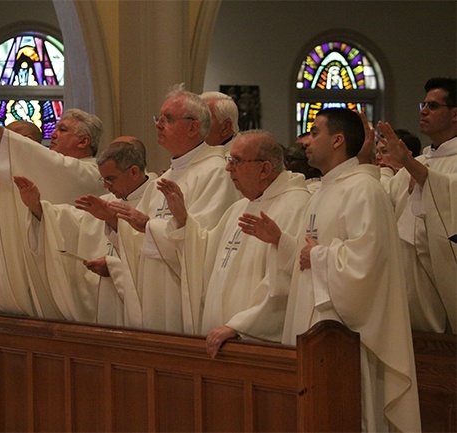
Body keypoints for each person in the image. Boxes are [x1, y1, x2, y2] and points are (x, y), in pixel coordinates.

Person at [251, 108, 420, 432]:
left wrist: (320, 257)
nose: (307, 142)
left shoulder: (364, 190)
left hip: (344, 336)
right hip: (314, 330)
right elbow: (307, 258)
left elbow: (369, 264)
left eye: (315, 133)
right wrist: (285, 243)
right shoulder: (323, 192)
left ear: (339, 140)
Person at [154, 130, 310, 355]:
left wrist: (239, 326)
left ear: (264, 168)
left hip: (255, 344)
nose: (228, 168)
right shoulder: (239, 207)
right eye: (230, 160)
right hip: (223, 340)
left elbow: (284, 279)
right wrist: (182, 219)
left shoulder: (296, 205)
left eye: (236, 161)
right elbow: (205, 252)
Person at [0, 108, 105, 317]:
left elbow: (57, 166)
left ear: (83, 142)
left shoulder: (92, 173)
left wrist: (3, 136)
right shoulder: (49, 168)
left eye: (62, 130)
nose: (53, 134)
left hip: (68, 280)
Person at [109, 84, 239, 333]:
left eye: (168, 119)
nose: (158, 125)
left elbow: (204, 244)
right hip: (154, 290)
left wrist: (150, 225)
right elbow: (138, 238)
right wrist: (117, 225)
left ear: (193, 127)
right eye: (159, 118)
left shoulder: (216, 172)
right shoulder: (163, 179)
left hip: (183, 294)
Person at [13, 138, 156, 325]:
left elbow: (160, 249)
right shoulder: (106, 201)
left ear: (134, 172)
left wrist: (114, 267)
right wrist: (37, 207)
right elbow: (70, 221)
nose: (106, 186)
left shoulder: (158, 199)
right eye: (102, 179)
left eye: (110, 179)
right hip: (103, 303)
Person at [380, 77, 456, 334]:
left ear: (455, 114)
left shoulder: (419, 163)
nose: (423, 111)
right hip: (407, 276)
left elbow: (448, 192)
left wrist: (412, 166)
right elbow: (384, 201)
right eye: (423, 104)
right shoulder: (421, 160)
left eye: (433, 106)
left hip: (440, 276)